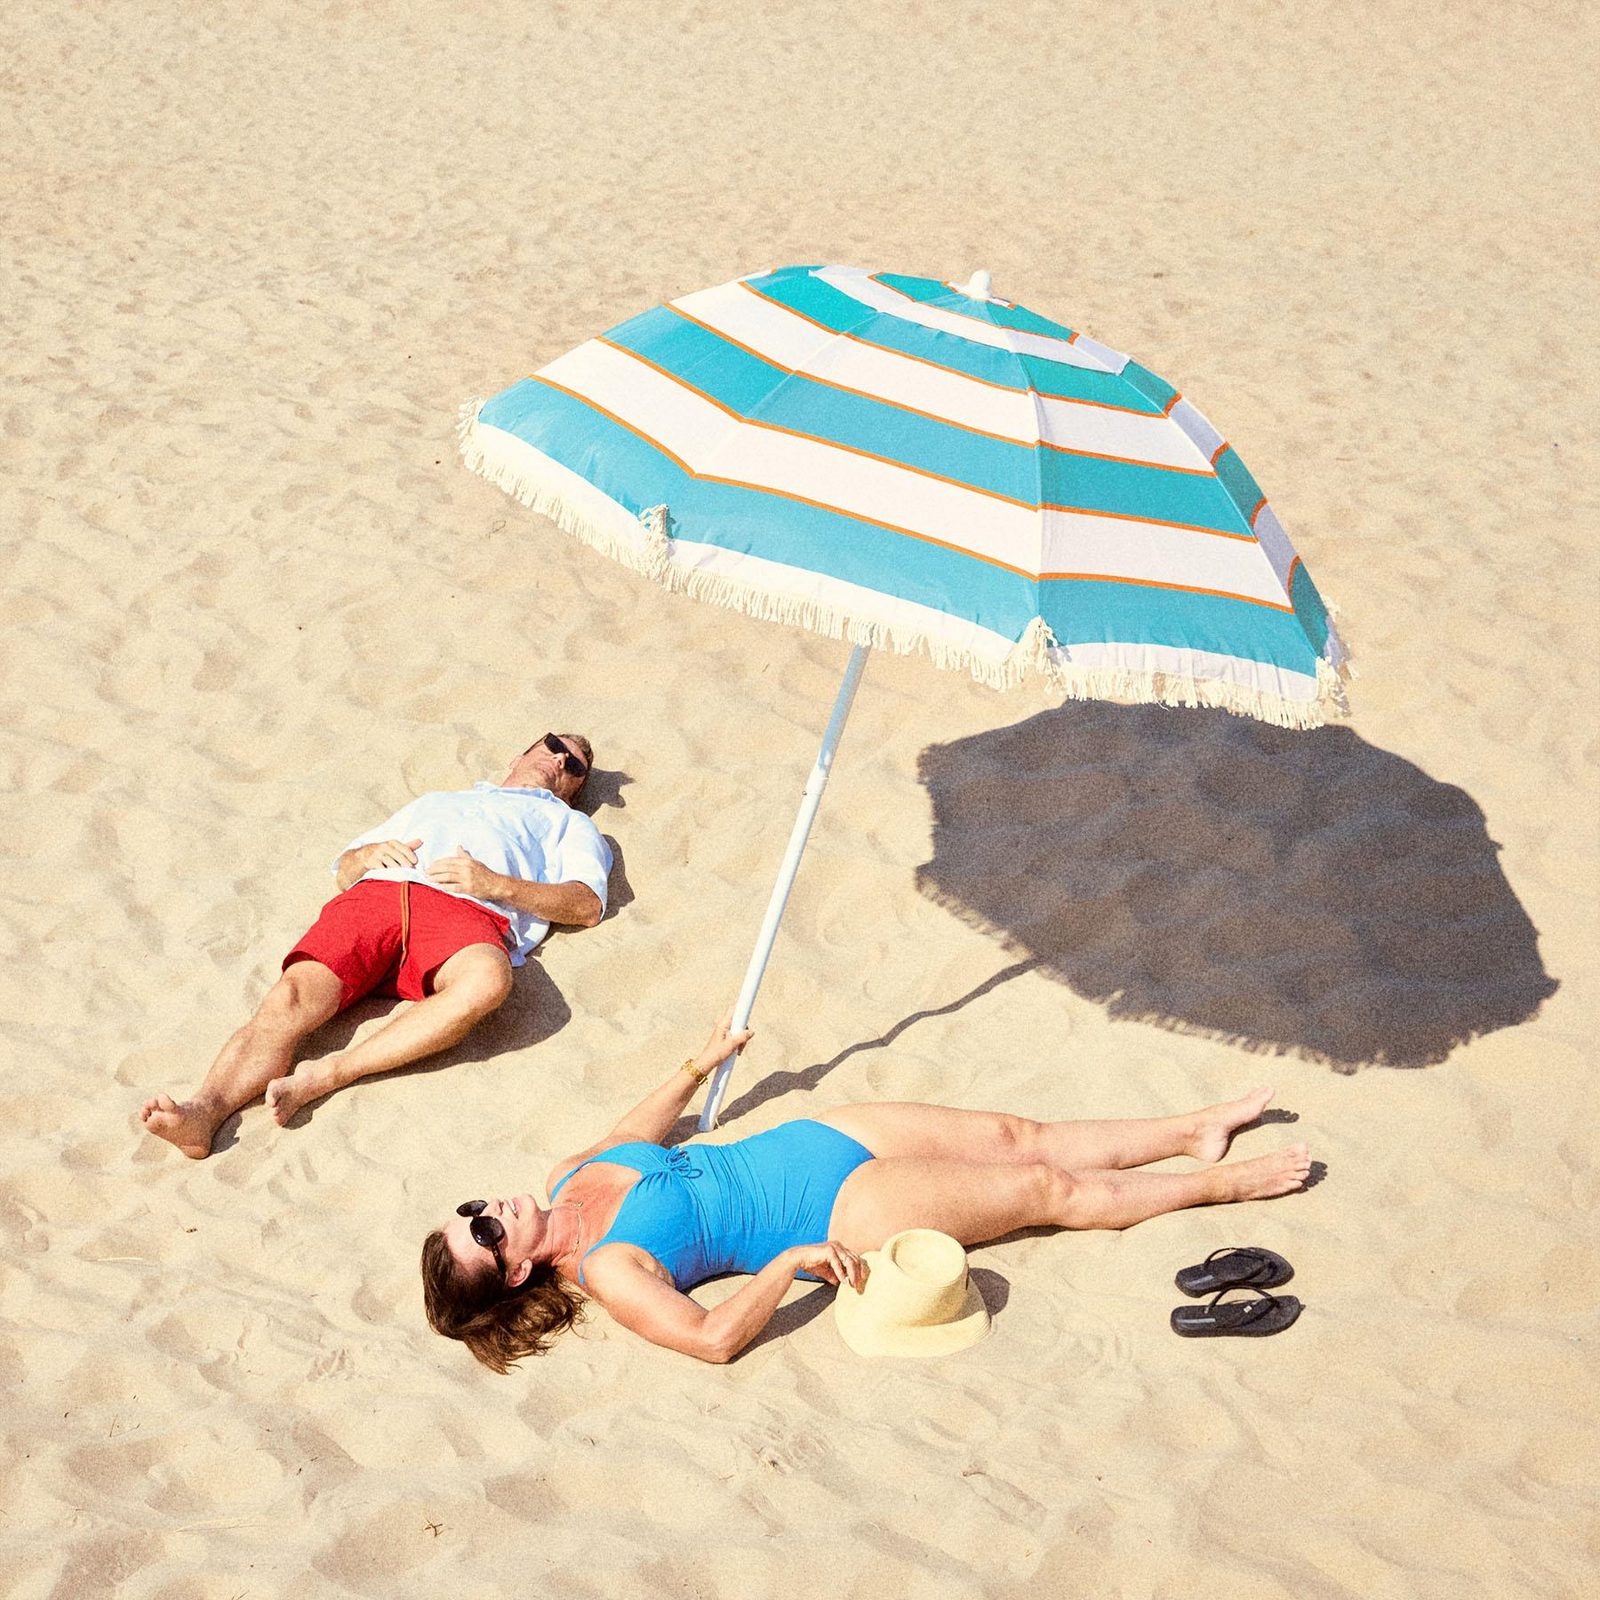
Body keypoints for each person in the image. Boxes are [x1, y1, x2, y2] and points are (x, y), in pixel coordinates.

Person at [421, 1015, 1313, 1368]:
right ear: (511, 1277)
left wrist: (698, 1064)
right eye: (487, 1239)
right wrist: (792, 1265)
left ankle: (1189, 1130)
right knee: (1041, 1186)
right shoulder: (609, 1271)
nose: (490, 1216)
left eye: (474, 1213)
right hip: (836, 1211)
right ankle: (1221, 1185)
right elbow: (708, 1340)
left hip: (818, 1137)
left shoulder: (565, 1178)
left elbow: (633, 1133)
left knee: (1014, 1134)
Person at [141, 732, 612, 1159]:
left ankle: (333, 1072)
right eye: (554, 745)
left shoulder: (568, 826)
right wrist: (363, 856)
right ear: (521, 752)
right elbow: (345, 868)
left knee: (487, 979)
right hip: (382, 892)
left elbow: (586, 904)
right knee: (290, 998)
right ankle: (203, 1112)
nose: (559, 761)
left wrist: (497, 885)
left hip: (468, 911)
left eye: (575, 766)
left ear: (574, 787)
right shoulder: (441, 799)